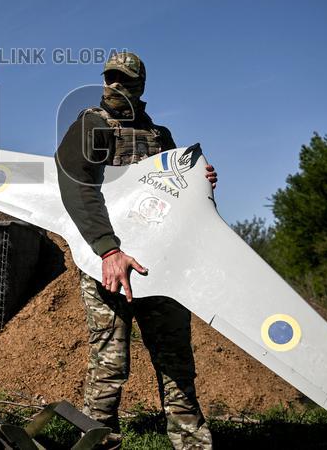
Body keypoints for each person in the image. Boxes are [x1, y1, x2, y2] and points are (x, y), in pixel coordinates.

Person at [54, 51, 216, 449]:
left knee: (175, 360)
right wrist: (109, 252)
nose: (115, 86)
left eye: (124, 80)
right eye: (110, 78)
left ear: (140, 86)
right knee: (109, 362)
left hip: (157, 263)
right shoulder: (92, 124)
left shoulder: (160, 136)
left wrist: (202, 182)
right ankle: (96, 441)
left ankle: (192, 443)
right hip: (106, 263)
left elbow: (175, 194)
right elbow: (77, 186)